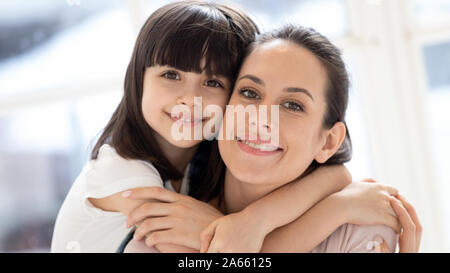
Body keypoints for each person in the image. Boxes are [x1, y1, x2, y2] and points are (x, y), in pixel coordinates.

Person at [51, 1, 353, 253]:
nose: (191, 99)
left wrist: (259, 218)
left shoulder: (206, 154)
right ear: (138, 79)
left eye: (212, 82)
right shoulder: (124, 176)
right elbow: (231, 252)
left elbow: (336, 173)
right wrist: (336, 212)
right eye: (171, 74)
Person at [121, 25, 421, 253]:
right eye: (250, 93)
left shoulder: (361, 228)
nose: (260, 119)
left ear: (328, 142)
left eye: (293, 105)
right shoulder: (164, 229)